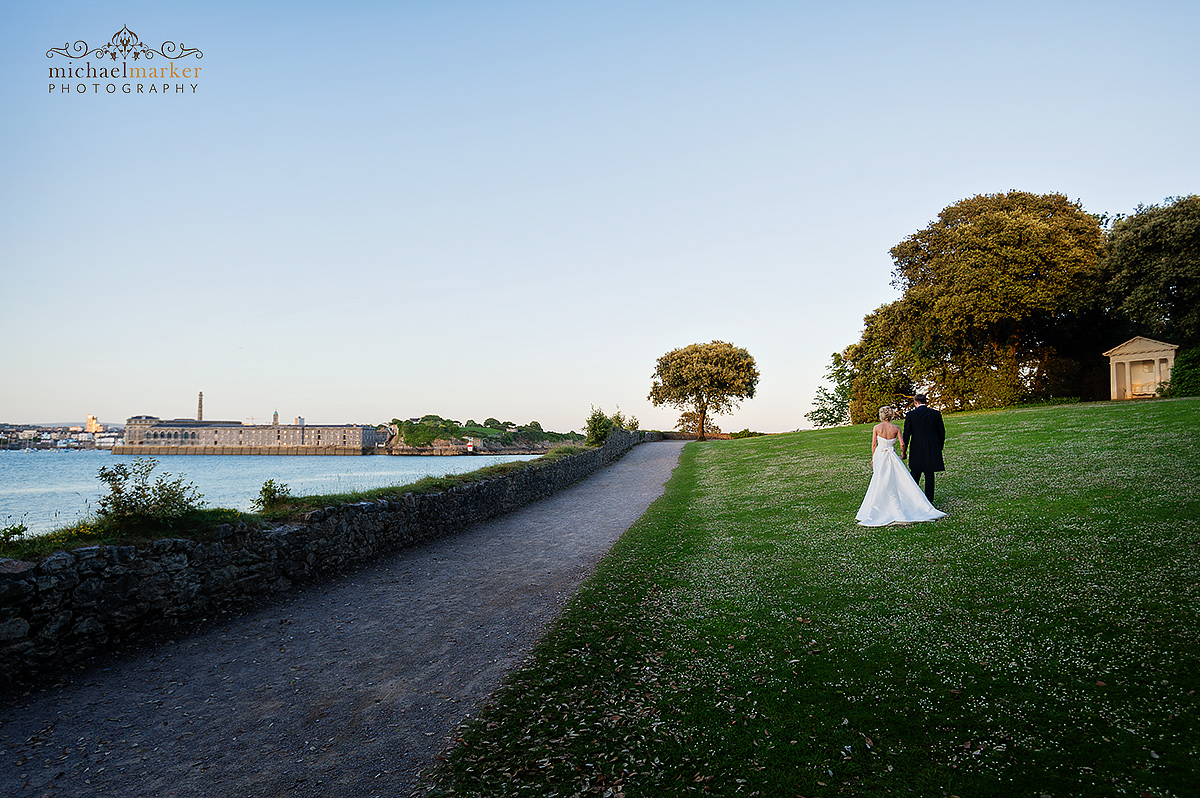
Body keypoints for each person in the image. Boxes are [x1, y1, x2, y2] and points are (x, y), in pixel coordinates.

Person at [855, 406, 946, 527]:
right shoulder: (896, 428)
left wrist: (873, 458)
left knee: (879, 479)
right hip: (892, 455)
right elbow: (902, 443)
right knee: (898, 479)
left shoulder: (876, 428)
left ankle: (879, 506)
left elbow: (873, 444)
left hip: (880, 455)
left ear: (881, 415)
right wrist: (903, 453)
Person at [900, 394, 946, 502]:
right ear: (926, 402)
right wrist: (939, 447)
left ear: (915, 402)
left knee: (915, 472)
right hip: (932, 447)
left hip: (917, 447)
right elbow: (941, 432)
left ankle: (911, 498)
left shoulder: (911, 415)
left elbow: (906, 434)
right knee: (929, 474)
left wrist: (904, 450)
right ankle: (929, 500)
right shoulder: (935, 414)